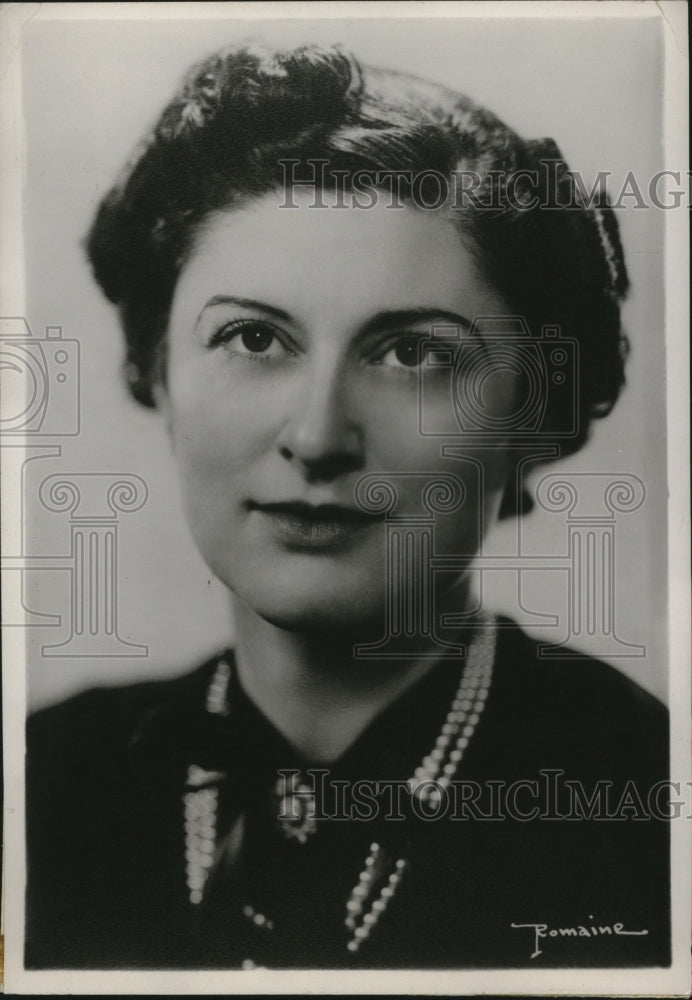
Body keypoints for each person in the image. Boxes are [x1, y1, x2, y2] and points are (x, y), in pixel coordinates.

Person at [25, 42, 669, 971]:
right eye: (252, 337)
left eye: (412, 355)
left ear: (531, 419)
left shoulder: (644, 800)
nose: (319, 437)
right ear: (157, 374)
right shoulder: (47, 781)